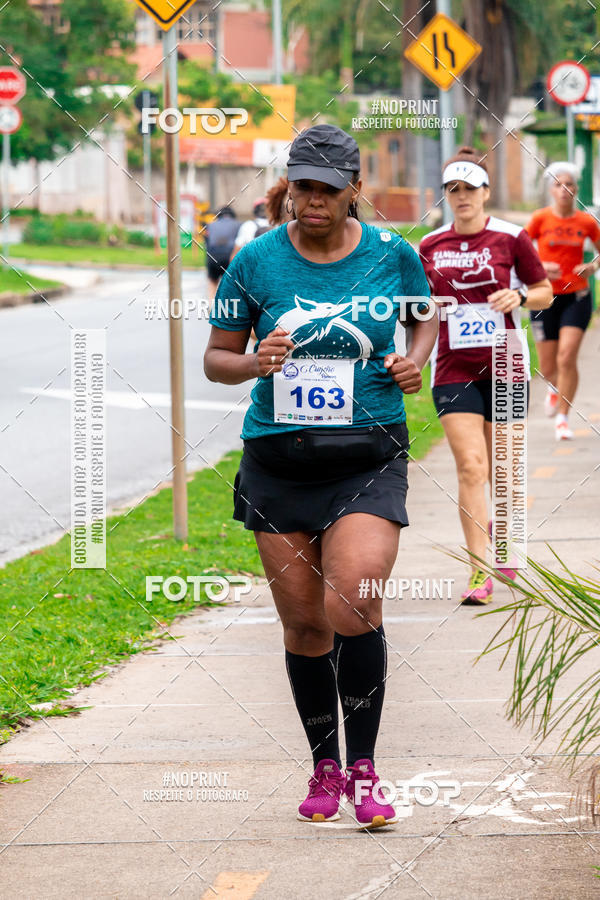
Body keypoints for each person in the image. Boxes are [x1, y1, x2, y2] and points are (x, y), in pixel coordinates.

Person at [204, 124, 438, 828]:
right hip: (277, 461)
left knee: (354, 601)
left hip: (367, 455)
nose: (311, 201)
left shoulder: (395, 256)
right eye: (302, 186)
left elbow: (424, 321)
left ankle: (365, 769)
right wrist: (257, 361)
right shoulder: (256, 261)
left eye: (326, 190)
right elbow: (217, 359)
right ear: (290, 186)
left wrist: (414, 361)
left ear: (352, 192)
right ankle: (325, 767)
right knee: (306, 626)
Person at [419, 146, 552, 605]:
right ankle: (479, 572)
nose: (462, 197)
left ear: (486, 193)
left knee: (504, 470)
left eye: (470, 188)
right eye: (453, 190)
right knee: (471, 466)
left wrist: (519, 299)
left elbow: (545, 292)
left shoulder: (512, 238)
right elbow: (414, 308)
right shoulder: (430, 245)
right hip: (453, 368)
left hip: (506, 365)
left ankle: (505, 532)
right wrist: (425, 308)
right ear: (446, 196)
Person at [526, 162, 600, 440]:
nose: (564, 189)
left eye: (569, 184)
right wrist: (541, 266)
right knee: (547, 368)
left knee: (567, 356)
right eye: (558, 184)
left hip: (577, 296)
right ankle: (555, 389)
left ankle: (563, 418)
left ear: (576, 189)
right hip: (544, 296)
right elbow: (519, 252)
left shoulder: (585, 222)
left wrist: (592, 266)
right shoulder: (540, 219)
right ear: (551, 190)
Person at [204, 206, 239, 299]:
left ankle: (212, 306)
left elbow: (207, 243)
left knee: (212, 282)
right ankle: (229, 308)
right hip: (230, 257)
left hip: (213, 257)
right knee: (231, 284)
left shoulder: (210, 225)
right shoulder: (238, 225)